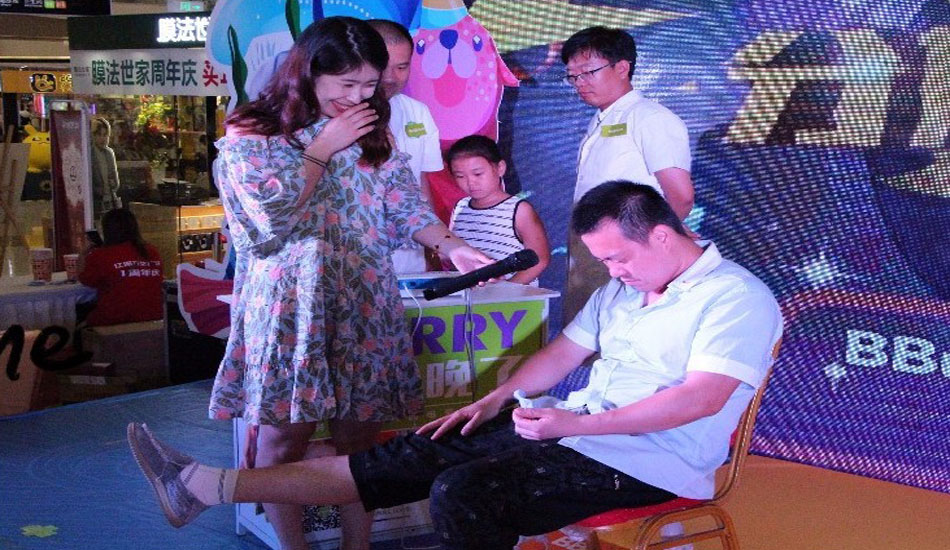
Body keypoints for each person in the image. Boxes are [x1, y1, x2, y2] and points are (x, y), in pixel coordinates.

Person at [128, 181, 782, 550]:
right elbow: (561, 354)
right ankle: (205, 486)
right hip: (576, 430)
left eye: (619, 258)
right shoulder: (626, 290)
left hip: (651, 461)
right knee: (410, 453)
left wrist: (574, 427)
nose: (613, 272)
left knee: (464, 492)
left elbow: (699, 400)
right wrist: (496, 400)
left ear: (663, 235)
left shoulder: (737, 298)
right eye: (605, 261)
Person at [206, 17, 492, 550]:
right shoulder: (254, 129)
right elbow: (269, 215)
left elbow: (403, 204)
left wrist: (451, 244)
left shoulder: (371, 127)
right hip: (293, 304)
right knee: (283, 437)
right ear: (308, 73)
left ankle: (357, 545)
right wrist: (322, 148)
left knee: (360, 442)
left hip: (364, 296)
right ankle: (292, 545)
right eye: (347, 84)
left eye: (369, 84)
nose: (360, 97)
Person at [561, 26, 694, 324]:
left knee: (620, 330)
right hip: (595, 245)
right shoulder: (602, 119)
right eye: (573, 76)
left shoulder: (650, 117)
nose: (579, 83)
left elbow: (682, 196)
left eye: (588, 72)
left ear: (622, 68)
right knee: (587, 327)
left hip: (627, 249)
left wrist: (648, 240)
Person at [367, 19, 444, 274]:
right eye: (383, 67)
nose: (391, 77)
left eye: (401, 67)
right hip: (359, 260)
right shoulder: (337, 117)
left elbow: (421, 184)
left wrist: (433, 249)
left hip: (410, 260)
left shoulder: (417, 112)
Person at [446, 135, 550, 284]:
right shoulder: (460, 207)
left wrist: (506, 290)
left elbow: (539, 259)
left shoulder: (519, 210)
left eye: (478, 174)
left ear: (500, 168)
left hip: (511, 296)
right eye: (460, 176)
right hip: (471, 294)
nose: (471, 182)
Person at [77, 208, 163, 327]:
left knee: (79, 321)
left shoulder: (101, 255)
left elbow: (86, 280)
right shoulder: (151, 251)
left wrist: (82, 256)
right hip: (154, 317)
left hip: (114, 319)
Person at [90, 118, 122, 218]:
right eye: (99, 135)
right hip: (96, 202)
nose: (103, 139)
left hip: (110, 200)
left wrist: (113, 184)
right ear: (94, 136)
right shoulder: (89, 153)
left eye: (105, 135)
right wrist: (98, 190)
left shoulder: (109, 153)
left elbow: (115, 180)